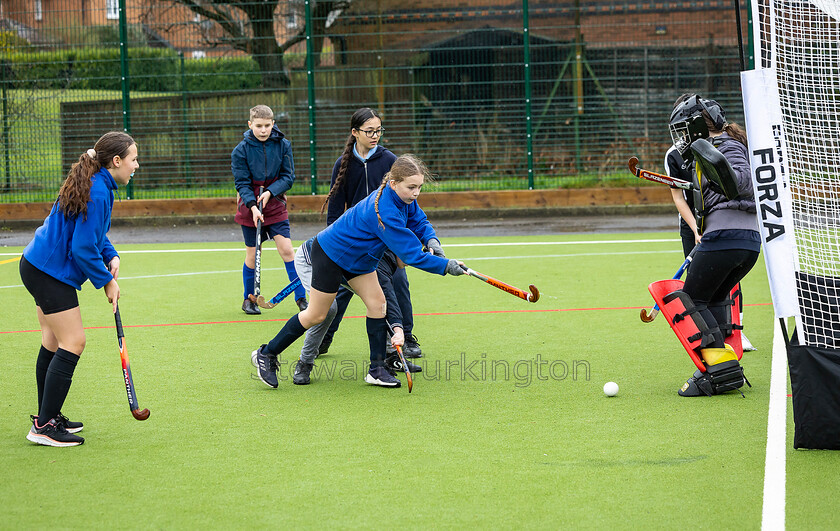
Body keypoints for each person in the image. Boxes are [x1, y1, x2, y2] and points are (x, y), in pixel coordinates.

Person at [252, 154, 467, 389]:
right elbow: (411, 255)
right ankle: (267, 353)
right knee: (317, 314)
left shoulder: (403, 199)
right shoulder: (385, 210)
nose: (416, 193)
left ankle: (376, 369)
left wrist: (432, 240)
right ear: (394, 184)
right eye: (411, 187)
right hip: (331, 255)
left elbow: (419, 221)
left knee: (378, 304)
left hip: (360, 261)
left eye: (419, 187)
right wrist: (446, 266)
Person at [19, 131, 139, 446]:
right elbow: (83, 248)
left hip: (37, 265)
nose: (136, 166)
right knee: (73, 342)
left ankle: (48, 415)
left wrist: (110, 255)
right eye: (133, 160)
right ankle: (44, 427)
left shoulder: (96, 181)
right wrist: (107, 281)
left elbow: (91, 232)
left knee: (53, 341)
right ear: (116, 161)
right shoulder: (99, 190)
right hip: (48, 272)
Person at [662, 94, 759, 396]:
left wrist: (719, 169)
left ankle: (718, 371)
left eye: (683, 128)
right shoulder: (713, 148)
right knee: (715, 296)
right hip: (747, 243)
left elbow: (742, 181)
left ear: (695, 125)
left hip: (726, 239)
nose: (681, 137)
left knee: (690, 300)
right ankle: (726, 370)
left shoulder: (726, 145)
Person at [317, 107, 426, 359]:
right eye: (369, 131)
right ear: (355, 133)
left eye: (379, 131)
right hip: (354, 241)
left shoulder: (390, 161)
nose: (375, 136)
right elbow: (335, 209)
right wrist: (333, 245)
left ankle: (406, 337)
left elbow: (407, 205)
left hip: (386, 240)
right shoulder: (342, 164)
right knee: (340, 291)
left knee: (398, 283)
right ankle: (325, 337)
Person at [233, 104, 306, 315]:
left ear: (273, 124)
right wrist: (253, 206)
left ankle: (301, 297)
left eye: (267, 125)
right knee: (253, 254)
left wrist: (270, 193)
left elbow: (288, 177)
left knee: (287, 250)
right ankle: (249, 299)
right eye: (258, 126)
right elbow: (242, 183)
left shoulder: (283, 145)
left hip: (275, 206)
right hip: (250, 208)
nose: (263, 130)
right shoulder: (241, 151)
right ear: (250, 125)